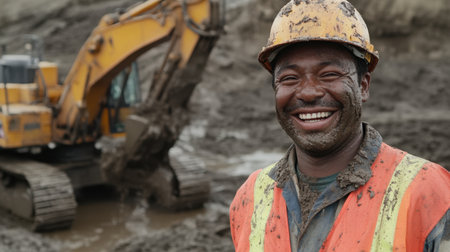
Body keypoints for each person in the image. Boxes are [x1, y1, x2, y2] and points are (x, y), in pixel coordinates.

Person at [229, 0, 450, 251]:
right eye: (290, 78)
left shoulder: (428, 192)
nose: (309, 93)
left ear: (363, 85)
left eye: (329, 74)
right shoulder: (250, 198)